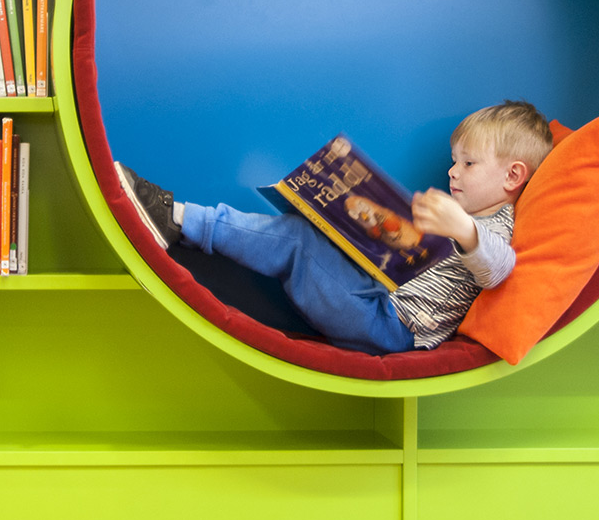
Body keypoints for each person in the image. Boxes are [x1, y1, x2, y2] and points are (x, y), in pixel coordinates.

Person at [116, 100, 552, 354]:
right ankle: (184, 227)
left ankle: (177, 218)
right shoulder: (459, 215)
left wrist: (464, 230)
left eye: (468, 163)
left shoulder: (496, 225)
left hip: (393, 328)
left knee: (298, 242)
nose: (453, 172)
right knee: (306, 230)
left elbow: (500, 267)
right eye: (454, 161)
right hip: (376, 300)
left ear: (513, 176)